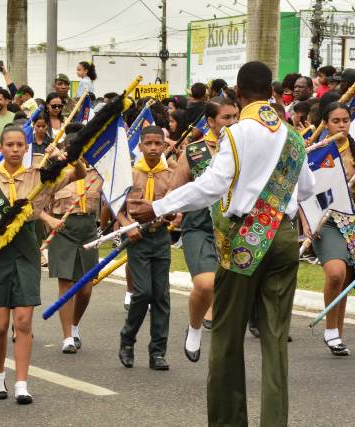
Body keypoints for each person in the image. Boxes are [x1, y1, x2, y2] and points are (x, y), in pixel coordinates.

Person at [134, 61, 315, 426]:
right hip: (283, 236)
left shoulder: (237, 133)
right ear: (273, 92)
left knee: (228, 339)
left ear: (238, 89)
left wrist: (159, 206)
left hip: (247, 238)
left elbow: (211, 187)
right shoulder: (293, 136)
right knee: (275, 340)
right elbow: (307, 188)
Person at [0, 125, 85, 404]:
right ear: (1, 147)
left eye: (20, 145)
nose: (15, 150)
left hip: (27, 247)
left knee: (23, 320)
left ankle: (21, 383)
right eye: (10, 145)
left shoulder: (40, 177)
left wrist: (67, 156)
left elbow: (79, 175)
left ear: (26, 146)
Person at [168, 97, 238, 362]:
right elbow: (177, 188)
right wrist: (172, 211)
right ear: (210, 121)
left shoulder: (242, 150)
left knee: (230, 294)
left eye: (235, 117)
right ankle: (195, 328)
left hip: (233, 228)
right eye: (226, 118)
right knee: (205, 283)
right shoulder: (194, 151)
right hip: (199, 227)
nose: (232, 123)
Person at [41, 125, 102, 354]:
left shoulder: (96, 170)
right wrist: (48, 220)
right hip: (63, 228)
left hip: (88, 228)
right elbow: (37, 204)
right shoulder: (54, 169)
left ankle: (75, 326)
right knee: (66, 283)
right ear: (66, 148)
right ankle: (67, 336)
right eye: (73, 148)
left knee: (85, 288)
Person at [117, 126, 173, 371]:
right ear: (139, 146)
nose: (152, 148)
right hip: (137, 239)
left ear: (164, 146)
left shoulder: (170, 175)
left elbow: (178, 204)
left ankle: (158, 351)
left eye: (157, 144)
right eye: (148, 143)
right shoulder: (130, 174)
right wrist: (127, 225)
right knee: (142, 292)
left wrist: (175, 216)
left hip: (160, 237)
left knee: (161, 295)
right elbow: (116, 207)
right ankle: (127, 340)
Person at [302, 102, 354, 356]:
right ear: (325, 123)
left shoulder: (354, 147)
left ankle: (336, 333)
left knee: (347, 279)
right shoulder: (316, 152)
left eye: (345, 120)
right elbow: (301, 190)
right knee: (336, 273)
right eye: (336, 120)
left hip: (353, 219)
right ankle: (331, 330)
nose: (342, 125)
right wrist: (306, 221)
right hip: (327, 219)